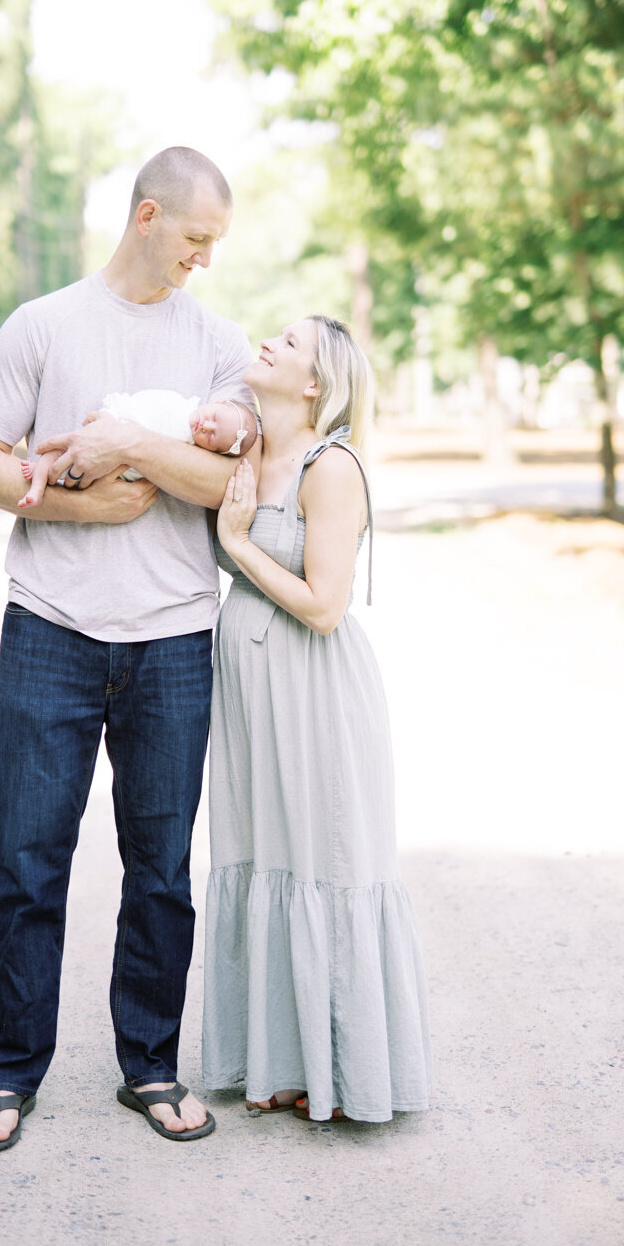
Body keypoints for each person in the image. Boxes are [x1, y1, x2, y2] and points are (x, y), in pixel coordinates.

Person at [0, 147, 259, 1151]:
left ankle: (151, 1066)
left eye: (215, 244)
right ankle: (8, 1076)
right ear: (145, 216)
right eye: (194, 239)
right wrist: (81, 517)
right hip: (49, 627)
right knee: (31, 865)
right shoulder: (43, 325)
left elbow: (227, 491)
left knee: (161, 869)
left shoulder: (220, 344)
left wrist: (127, 447)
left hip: (174, 638)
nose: (204, 260)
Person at [202, 315, 433, 1123]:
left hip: (312, 686)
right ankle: (281, 1060)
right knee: (267, 853)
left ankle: (345, 1072)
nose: (266, 342)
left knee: (326, 861)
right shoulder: (242, 450)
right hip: (246, 684)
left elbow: (326, 607)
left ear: (314, 385)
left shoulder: (329, 467)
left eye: (289, 344)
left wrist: (238, 540)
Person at [18, 391, 257, 506]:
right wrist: (112, 417)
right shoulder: (179, 403)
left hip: (118, 472)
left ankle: (41, 482)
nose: (205, 426)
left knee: (80, 472)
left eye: (212, 436)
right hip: (112, 423)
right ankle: (37, 484)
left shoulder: (190, 449)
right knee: (63, 451)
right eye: (212, 416)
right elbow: (144, 404)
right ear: (217, 402)